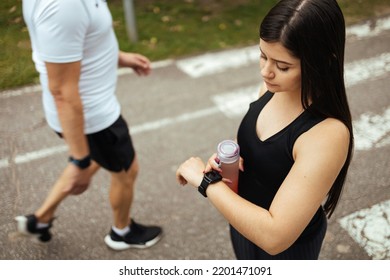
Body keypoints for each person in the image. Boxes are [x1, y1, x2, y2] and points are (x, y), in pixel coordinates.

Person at [176, 0, 354, 260]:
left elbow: (275, 237)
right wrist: (227, 164)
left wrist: (206, 183)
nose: (265, 72)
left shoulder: (327, 133)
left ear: (324, 61)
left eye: (282, 66)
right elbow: (254, 152)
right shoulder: (270, 91)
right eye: (262, 55)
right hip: (242, 224)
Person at [15, 0, 162, 251]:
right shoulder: (63, 6)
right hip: (93, 119)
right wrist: (79, 159)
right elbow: (62, 91)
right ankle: (122, 232)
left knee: (100, 157)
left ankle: (40, 219)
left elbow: (77, 43)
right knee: (126, 170)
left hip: (90, 115)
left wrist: (120, 58)